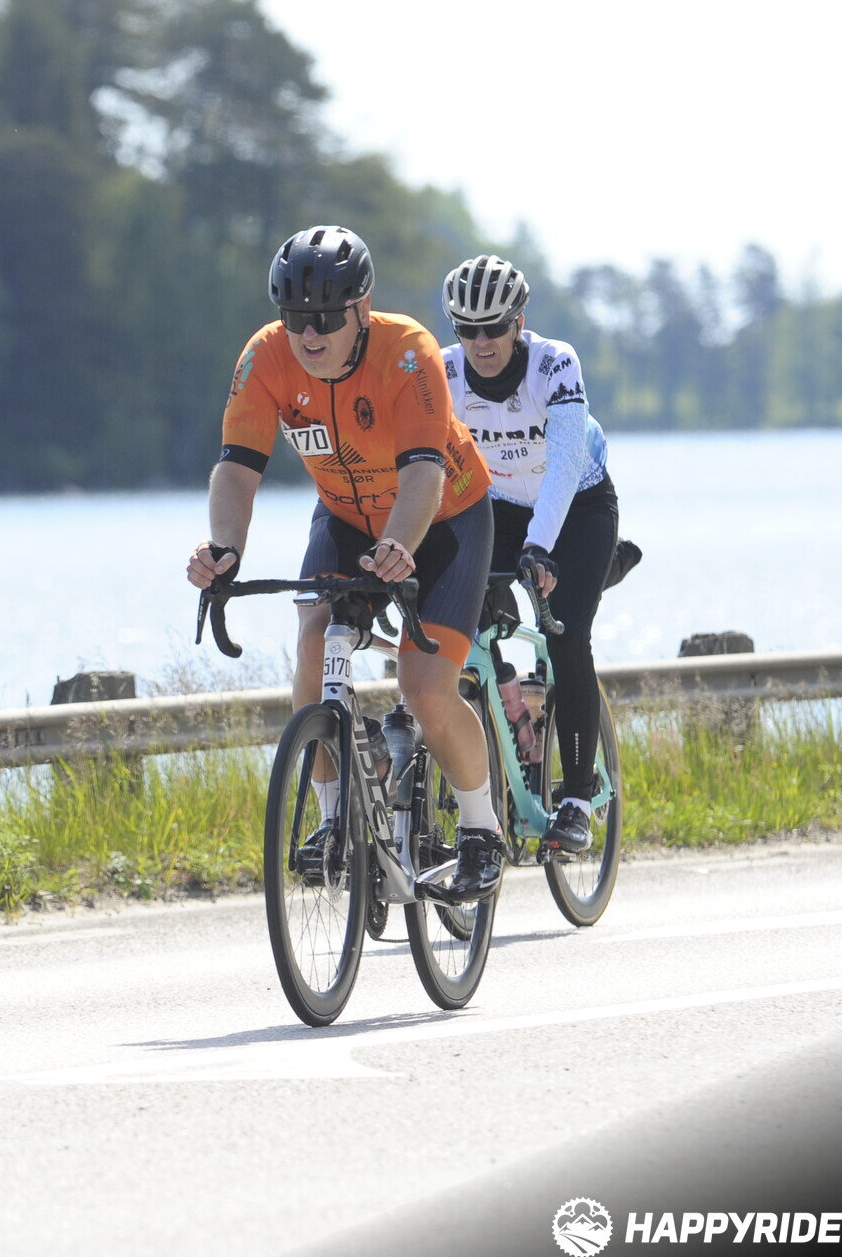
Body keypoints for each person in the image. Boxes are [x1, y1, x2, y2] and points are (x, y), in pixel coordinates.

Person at [187, 225, 506, 904]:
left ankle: (482, 829)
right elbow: (237, 468)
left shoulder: (408, 352)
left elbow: (422, 475)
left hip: (444, 518)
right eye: (295, 315)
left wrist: (400, 544)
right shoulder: (266, 356)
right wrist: (225, 548)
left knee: (425, 686)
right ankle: (334, 819)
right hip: (344, 516)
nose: (309, 332)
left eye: (326, 317)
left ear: (362, 307)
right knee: (314, 646)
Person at [440, 255, 617, 857]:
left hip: (576, 506)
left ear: (519, 322)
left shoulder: (554, 363)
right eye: (468, 329)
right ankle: (510, 704)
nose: (482, 342)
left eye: (495, 327)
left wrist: (539, 546)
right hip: (497, 506)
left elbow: (564, 463)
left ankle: (576, 799)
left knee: (566, 633)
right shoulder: (444, 373)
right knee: (457, 619)